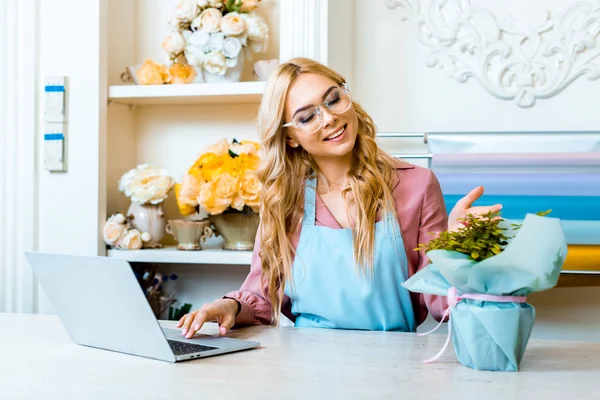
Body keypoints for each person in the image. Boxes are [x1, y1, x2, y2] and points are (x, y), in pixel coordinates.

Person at [177, 58, 501, 338]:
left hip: (397, 367)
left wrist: (457, 246)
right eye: (307, 117)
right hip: (308, 368)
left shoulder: (416, 185)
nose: (329, 118)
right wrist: (230, 305)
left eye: (332, 99)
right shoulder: (284, 201)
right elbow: (262, 298)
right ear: (290, 136)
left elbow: (442, 305)